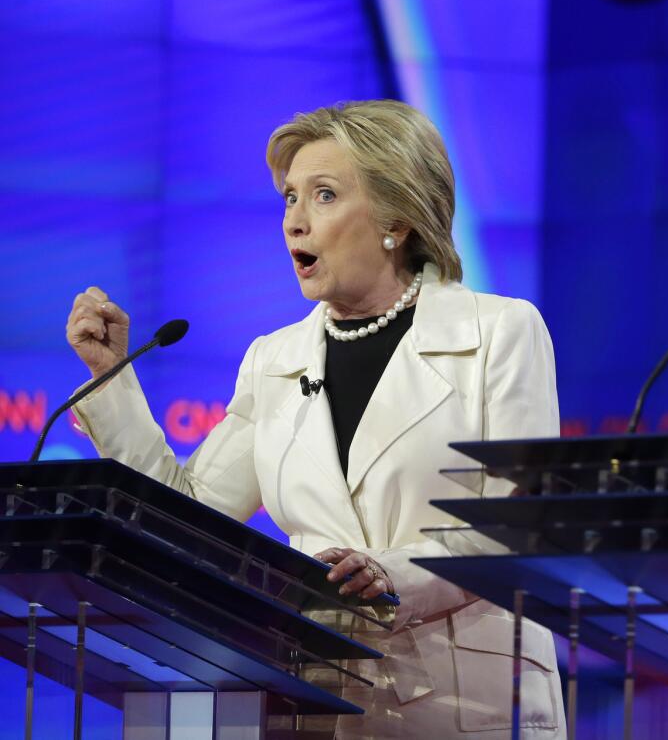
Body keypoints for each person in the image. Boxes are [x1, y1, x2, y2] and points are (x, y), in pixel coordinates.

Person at [66, 100, 567, 739]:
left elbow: (520, 531)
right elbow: (188, 517)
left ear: (399, 219)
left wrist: (394, 576)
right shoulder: (275, 359)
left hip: (471, 708)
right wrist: (113, 380)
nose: (294, 223)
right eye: (288, 199)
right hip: (316, 700)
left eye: (323, 196)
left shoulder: (499, 333)